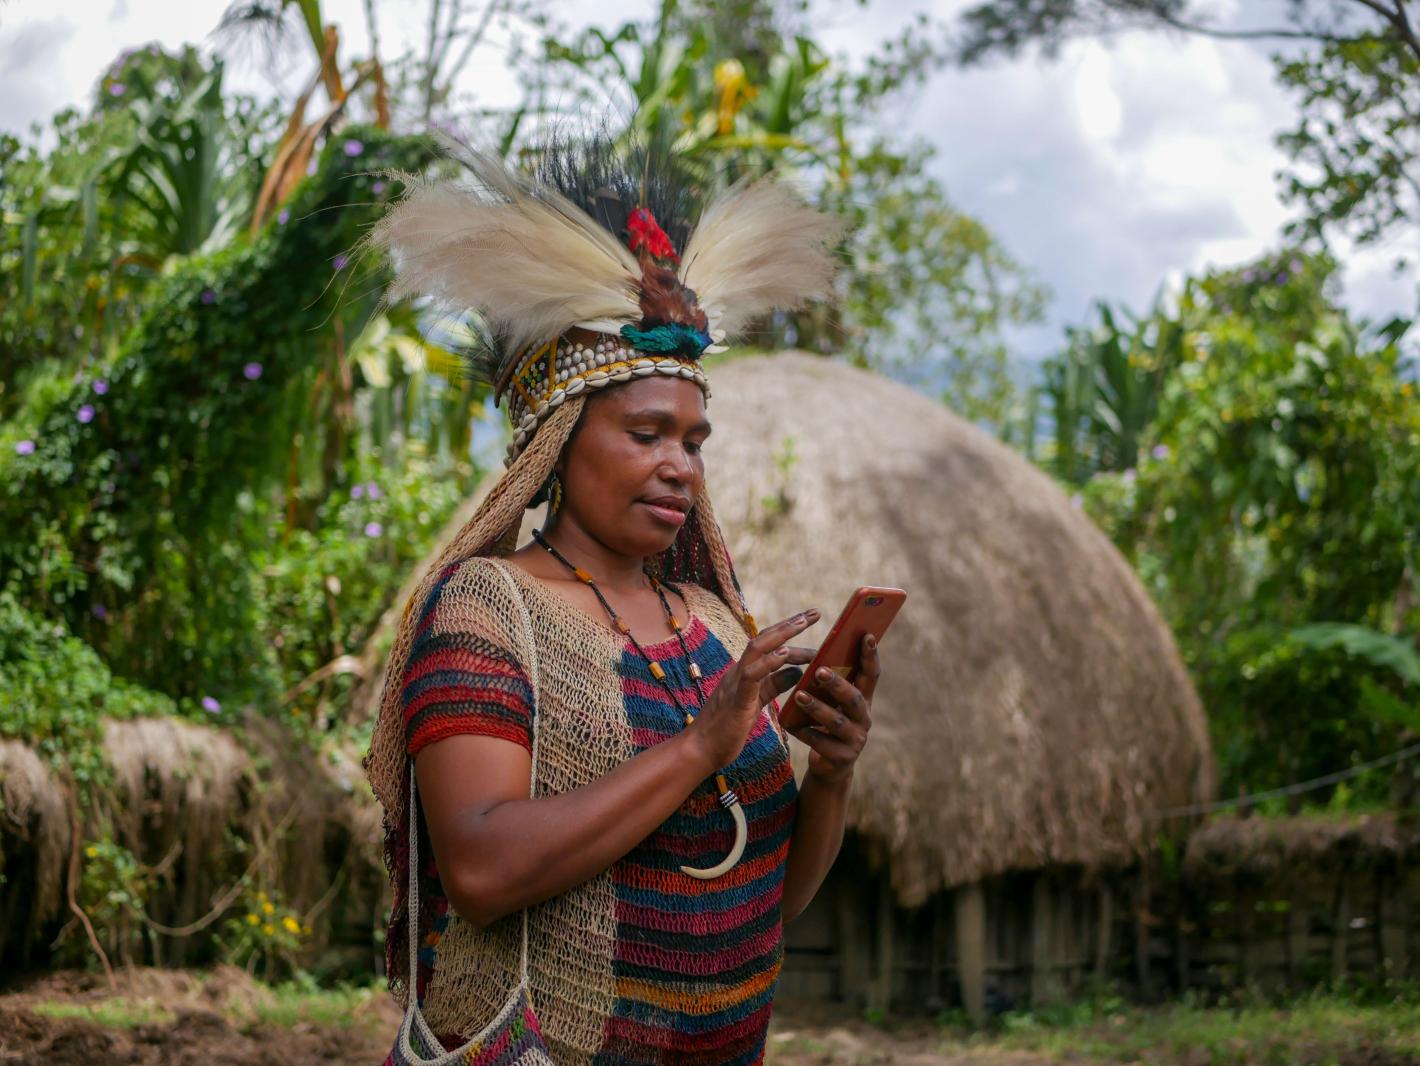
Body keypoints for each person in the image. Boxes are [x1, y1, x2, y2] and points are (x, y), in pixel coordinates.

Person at [364, 133, 882, 1064]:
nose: (679, 466)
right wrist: (699, 746)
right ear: (559, 438)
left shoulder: (719, 625)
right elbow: (480, 870)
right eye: (647, 433)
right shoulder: (487, 612)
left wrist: (832, 774)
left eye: (693, 440)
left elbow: (768, 894)